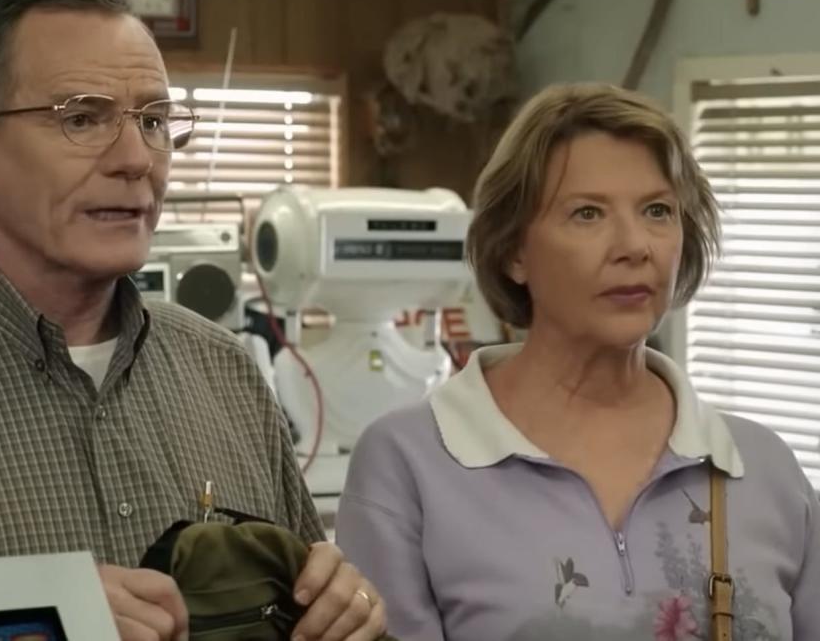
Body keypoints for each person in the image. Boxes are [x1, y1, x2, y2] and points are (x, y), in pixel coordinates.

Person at [0, 0, 386, 641]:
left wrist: (347, 611)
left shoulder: (223, 370)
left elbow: (309, 598)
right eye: (82, 117)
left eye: (155, 121)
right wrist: (25, 622)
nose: (137, 159)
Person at [335, 83, 819, 640]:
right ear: (514, 251)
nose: (634, 245)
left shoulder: (763, 470)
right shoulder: (409, 465)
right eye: (587, 214)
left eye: (658, 210)